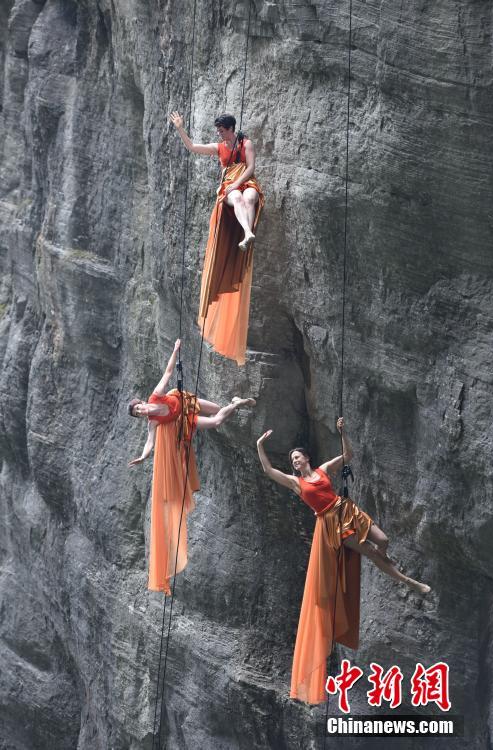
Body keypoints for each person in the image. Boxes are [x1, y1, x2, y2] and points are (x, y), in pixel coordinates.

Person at [256, 418, 431, 704]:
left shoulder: (323, 470)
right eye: (293, 460)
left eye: (298, 457)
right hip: (331, 524)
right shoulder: (297, 483)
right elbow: (268, 470)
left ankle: (387, 561)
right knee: (370, 552)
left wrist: (343, 432)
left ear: (307, 458)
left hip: (346, 509)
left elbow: (348, 455)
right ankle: (409, 581)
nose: (295, 462)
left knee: (383, 541)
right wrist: (260, 445)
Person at [129, 339, 255, 594]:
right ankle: (237, 404)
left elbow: (167, 373)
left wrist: (176, 350)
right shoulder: (152, 422)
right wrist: (142, 457)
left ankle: (234, 402)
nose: (141, 412)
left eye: (138, 408)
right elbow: (150, 442)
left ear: (141, 403)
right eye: (137, 414)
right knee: (217, 421)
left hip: (185, 403)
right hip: (184, 421)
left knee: (217, 409)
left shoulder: (155, 396)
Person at [170, 111, 264, 365]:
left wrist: (238, 182)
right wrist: (180, 128)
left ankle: (248, 231)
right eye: (219, 131)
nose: (219, 134)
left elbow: (251, 168)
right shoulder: (219, 148)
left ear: (231, 128)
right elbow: (192, 147)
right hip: (230, 188)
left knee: (250, 197)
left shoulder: (246, 144)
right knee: (237, 199)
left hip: (246, 182)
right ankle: (247, 231)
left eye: (222, 130)